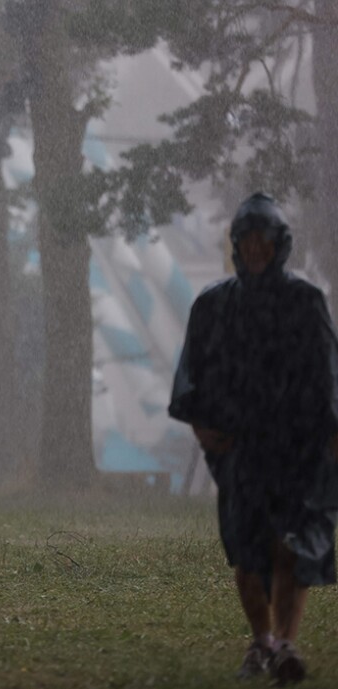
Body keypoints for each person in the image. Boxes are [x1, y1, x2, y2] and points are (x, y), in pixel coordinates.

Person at [169, 193, 338, 684]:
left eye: (264, 239)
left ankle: (284, 644)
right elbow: (192, 374)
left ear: (279, 244)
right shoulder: (214, 306)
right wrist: (202, 423)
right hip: (241, 451)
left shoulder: (305, 303)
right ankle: (260, 641)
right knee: (247, 554)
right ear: (238, 246)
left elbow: (329, 372)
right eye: (248, 240)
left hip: (296, 449)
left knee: (291, 548)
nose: (256, 249)